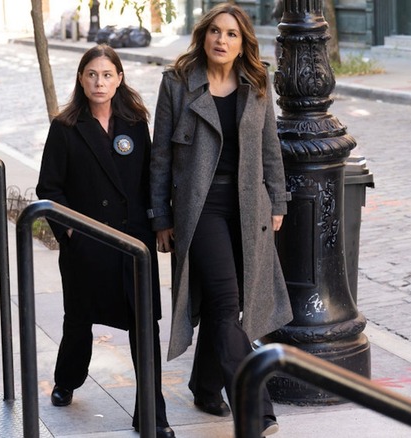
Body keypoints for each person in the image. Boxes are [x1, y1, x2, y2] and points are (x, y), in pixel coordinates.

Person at [149, 3, 293, 436]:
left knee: (223, 304)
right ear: (203, 35)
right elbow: (159, 156)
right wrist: (161, 216)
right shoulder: (177, 84)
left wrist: (278, 201)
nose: (221, 40)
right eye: (215, 31)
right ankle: (256, 407)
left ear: (242, 41)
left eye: (231, 34)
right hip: (201, 207)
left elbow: (271, 146)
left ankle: (206, 384)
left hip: (249, 206)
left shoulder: (257, 82)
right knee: (229, 302)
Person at [36, 44, 175, 438]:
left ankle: (152, 412)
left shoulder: (135, 122)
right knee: (79, 323)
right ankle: (67, 379)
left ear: (119, 79)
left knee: (143, 326)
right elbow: (49, 188)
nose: (100, 82)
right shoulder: (65, 127)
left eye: (107, 75)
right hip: (87, 245)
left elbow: (152, 179)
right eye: (92, 74)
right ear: (81, 78)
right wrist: (72, 233)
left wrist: (157, 225)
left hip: (133, 243)